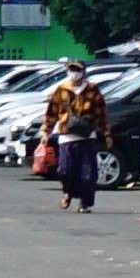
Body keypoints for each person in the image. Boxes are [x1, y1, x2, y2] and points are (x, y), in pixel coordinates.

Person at [46, 73, 109, 212]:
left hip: (87, 138)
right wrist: (46, 132)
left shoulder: (92, 90)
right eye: (72, 69)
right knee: (65, 171)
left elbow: (101, 113)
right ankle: (68, 192)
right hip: (66, 138)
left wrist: (106, 133)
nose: (75, 73)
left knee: (87, 175)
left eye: (77, 70)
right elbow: (52, 112)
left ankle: (85, 203)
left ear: (83, 72)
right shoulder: (62, 89)